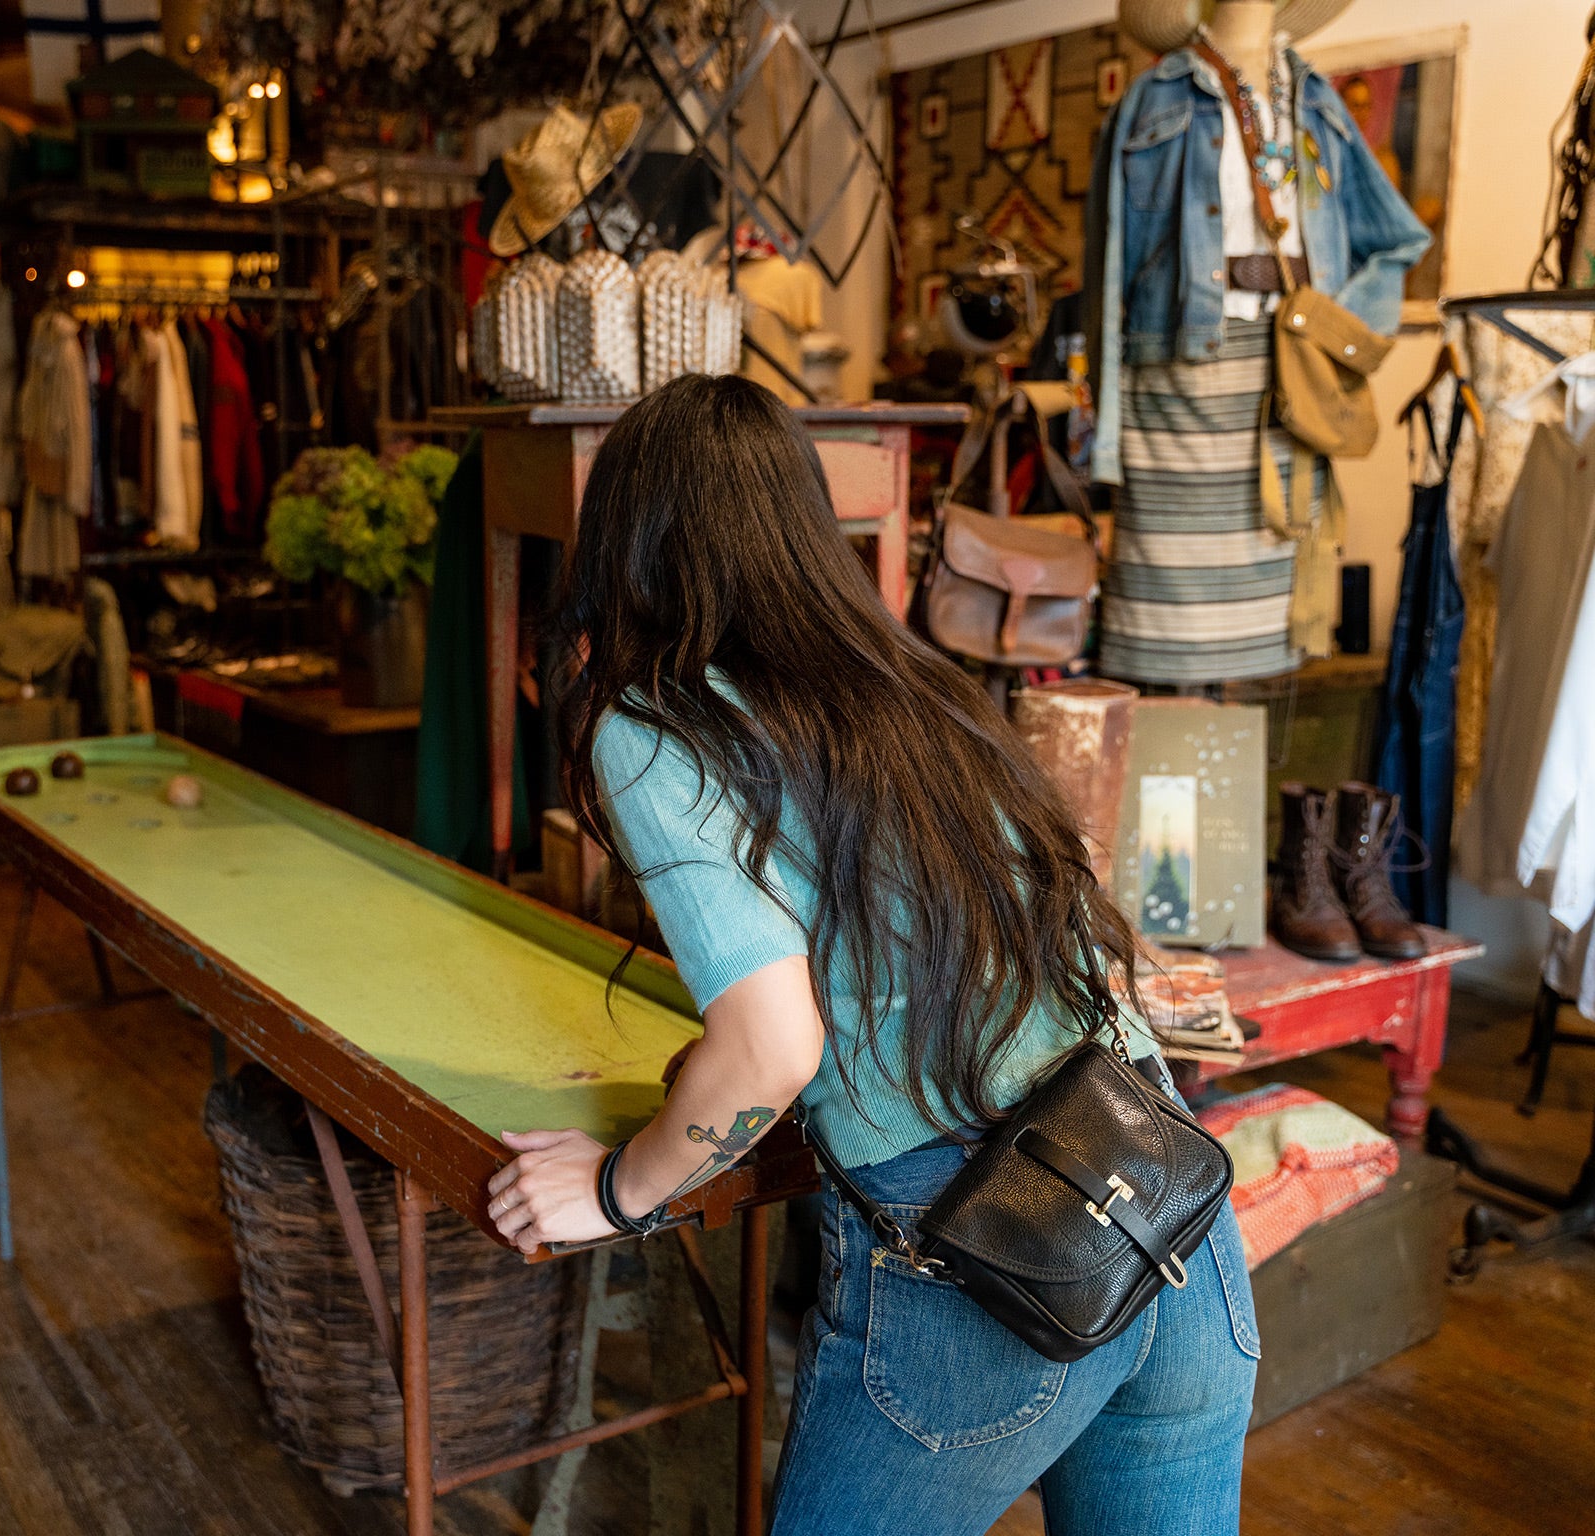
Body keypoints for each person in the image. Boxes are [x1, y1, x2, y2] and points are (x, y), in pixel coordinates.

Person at [486, 376, 1259, 1535]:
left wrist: (618, 1188)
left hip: (973, 1261)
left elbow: (771, 1046)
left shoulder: (655, 722)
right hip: (1169, 1214)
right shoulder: (914, 690)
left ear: (624, 542)